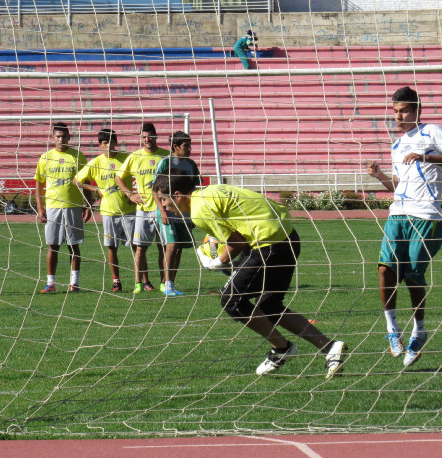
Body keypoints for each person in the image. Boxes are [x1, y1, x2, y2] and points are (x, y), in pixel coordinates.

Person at [152, 169, 347, 378]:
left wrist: (216, 261)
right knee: (269, 305)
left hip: (267, 243)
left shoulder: (199, 211)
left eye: (163, 199)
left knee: (231, 301)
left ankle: (282, 348)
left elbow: (236, 241)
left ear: (178, 194)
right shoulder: (212, 191)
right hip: (287, 238)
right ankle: (329, 348)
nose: (163, 206)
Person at [367, 86, 442, 367]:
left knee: (411, 275)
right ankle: (392, 330)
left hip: (426, 217)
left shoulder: (431, 131)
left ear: (416, 110)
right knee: (385, 270)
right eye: (395, 112)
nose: (399, 116)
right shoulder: (397, 145)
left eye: (404, 111)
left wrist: (425, 157)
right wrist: (380, 175)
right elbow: (397, 188)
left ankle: (419, 330)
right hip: (398, 214)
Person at [75, 129, 136, 292]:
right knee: (111, 247)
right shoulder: (95, 162)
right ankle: (116, 281)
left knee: (137, 246)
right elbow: (77, 180)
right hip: (108, 212)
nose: (109, 145)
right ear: (100, 145)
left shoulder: (126, 158)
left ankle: (143, 281)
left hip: (129, 210)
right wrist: (96, 190)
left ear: (116, 142)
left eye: (111, 141)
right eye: (105, 142)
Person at [35, 122, 92, 293]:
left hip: (73, 206)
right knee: (53, 245)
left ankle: (74, 283)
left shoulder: (78, 156)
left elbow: (85, 181)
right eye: (57, 136)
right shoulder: (46, 157)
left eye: (63, 136)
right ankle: (50, 283)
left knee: (73, 245)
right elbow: (39, 183)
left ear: (69, 137)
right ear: (53, 138)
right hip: (53, 206)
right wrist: (40, 208)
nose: (61, 139)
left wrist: (87, 205)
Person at [115, 122, 170, 294]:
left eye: (150, 137)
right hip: (144, 210)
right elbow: (118, 177)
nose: (147, 140)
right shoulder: (134, 157)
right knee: (140, 247)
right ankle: (138, 284)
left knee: (164, 247)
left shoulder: (166, 156)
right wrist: (130, 195)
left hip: (163, 209)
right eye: (144, 137)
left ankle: (164, 283)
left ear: (156, 136)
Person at [153, 131, 201, 296]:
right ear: (175, 146)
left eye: (190, 145)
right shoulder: (165, 163)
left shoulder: (191, 165)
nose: (190, 148)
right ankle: (166, 284)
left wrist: (193, 213)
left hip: (185, 213)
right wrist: (162, 211)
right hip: (168, 212)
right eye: (186, 145)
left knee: (179, 248)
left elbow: (195, 188)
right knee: (171, 245)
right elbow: (155, 189)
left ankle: (171, 283)